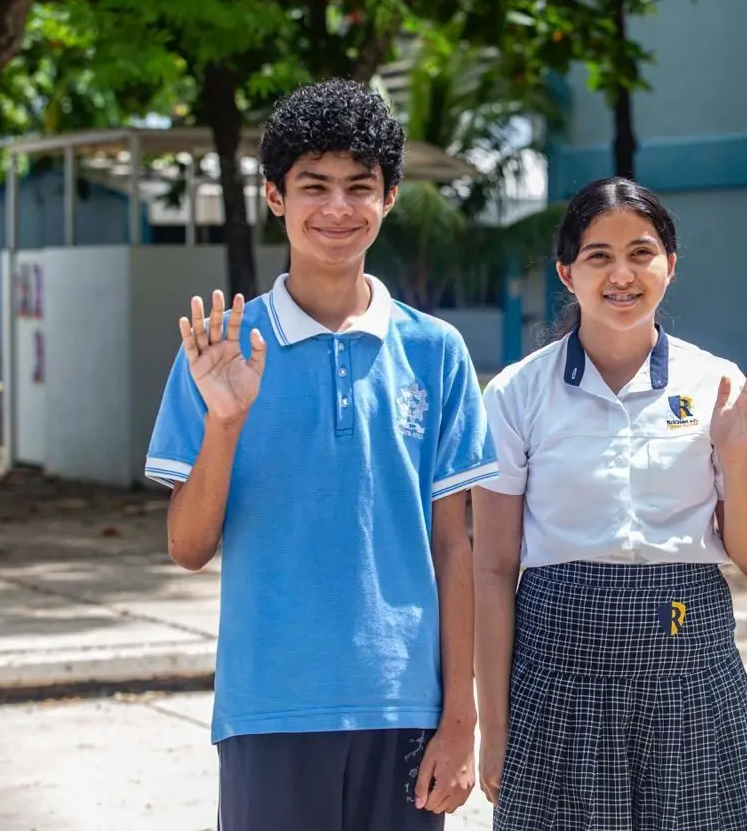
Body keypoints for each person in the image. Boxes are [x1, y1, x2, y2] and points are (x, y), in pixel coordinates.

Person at [144, 78, 499, 830]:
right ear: (275, 196)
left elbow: (453, 545)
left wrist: (459, 718)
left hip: (407, 707)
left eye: (359, 187)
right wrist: (225, 423)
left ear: (390, 197)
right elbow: (186, 546)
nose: (337, 208)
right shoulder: (218, 350)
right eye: (314, 186)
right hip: (269, 706)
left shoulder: (436, 352)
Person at [471, 176, 747, 830]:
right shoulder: (514, 394)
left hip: (692, 683)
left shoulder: (718, 384)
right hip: (556, 687)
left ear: (670, 266)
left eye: (642, 252)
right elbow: (494, 569)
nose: (623, 273)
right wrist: (493, 725)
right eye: (599, 255)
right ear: (567, 271)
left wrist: (733, 456)